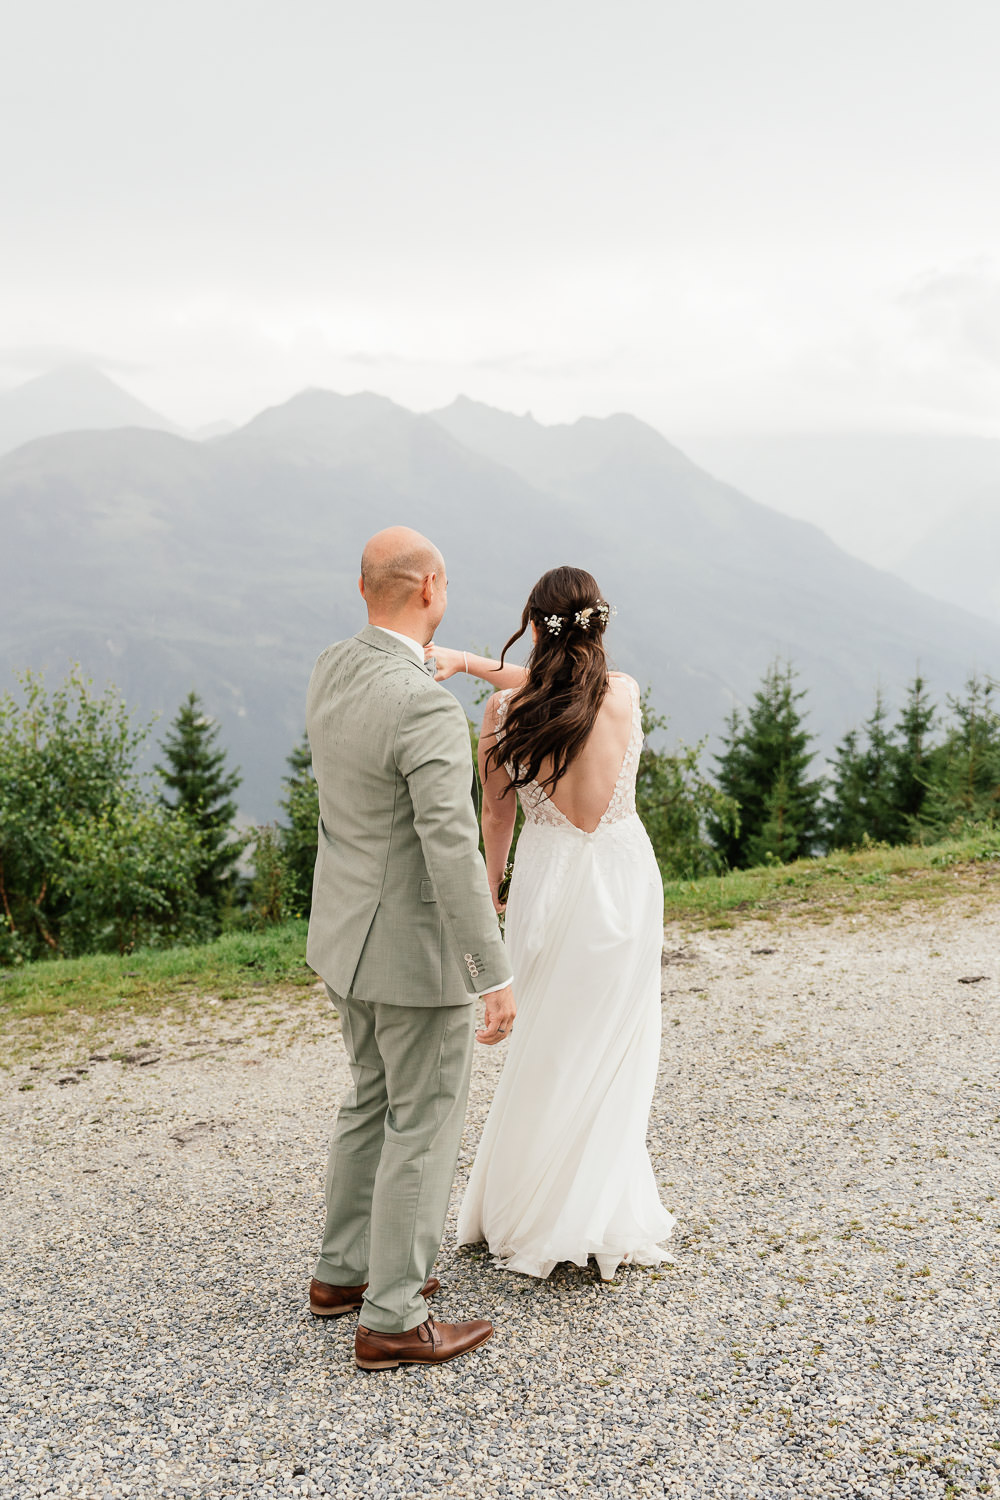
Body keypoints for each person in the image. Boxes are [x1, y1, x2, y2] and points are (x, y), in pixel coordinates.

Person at [305, 526, 516, 1370]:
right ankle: (391, 1318)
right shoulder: (424, 703)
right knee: (422, 1122)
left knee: (369, 1102)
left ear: (367, 591)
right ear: (429, 588)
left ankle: (342, 1273)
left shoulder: (332, 665)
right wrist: (490, 971)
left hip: (343, 938)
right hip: (407, 954)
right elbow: (450, 847)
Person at [428, 565, 675, 1280]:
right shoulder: (624, 695)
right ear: (600, 626)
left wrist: (492, 882)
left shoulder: (507, 715)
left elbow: (497, 811)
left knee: (549, 1041)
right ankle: (598, 1207)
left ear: (535, 627)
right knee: (616, 1043)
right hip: (627, 876)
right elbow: (566, 685)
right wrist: (481, 666)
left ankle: (527, 1205)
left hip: (551, 875)